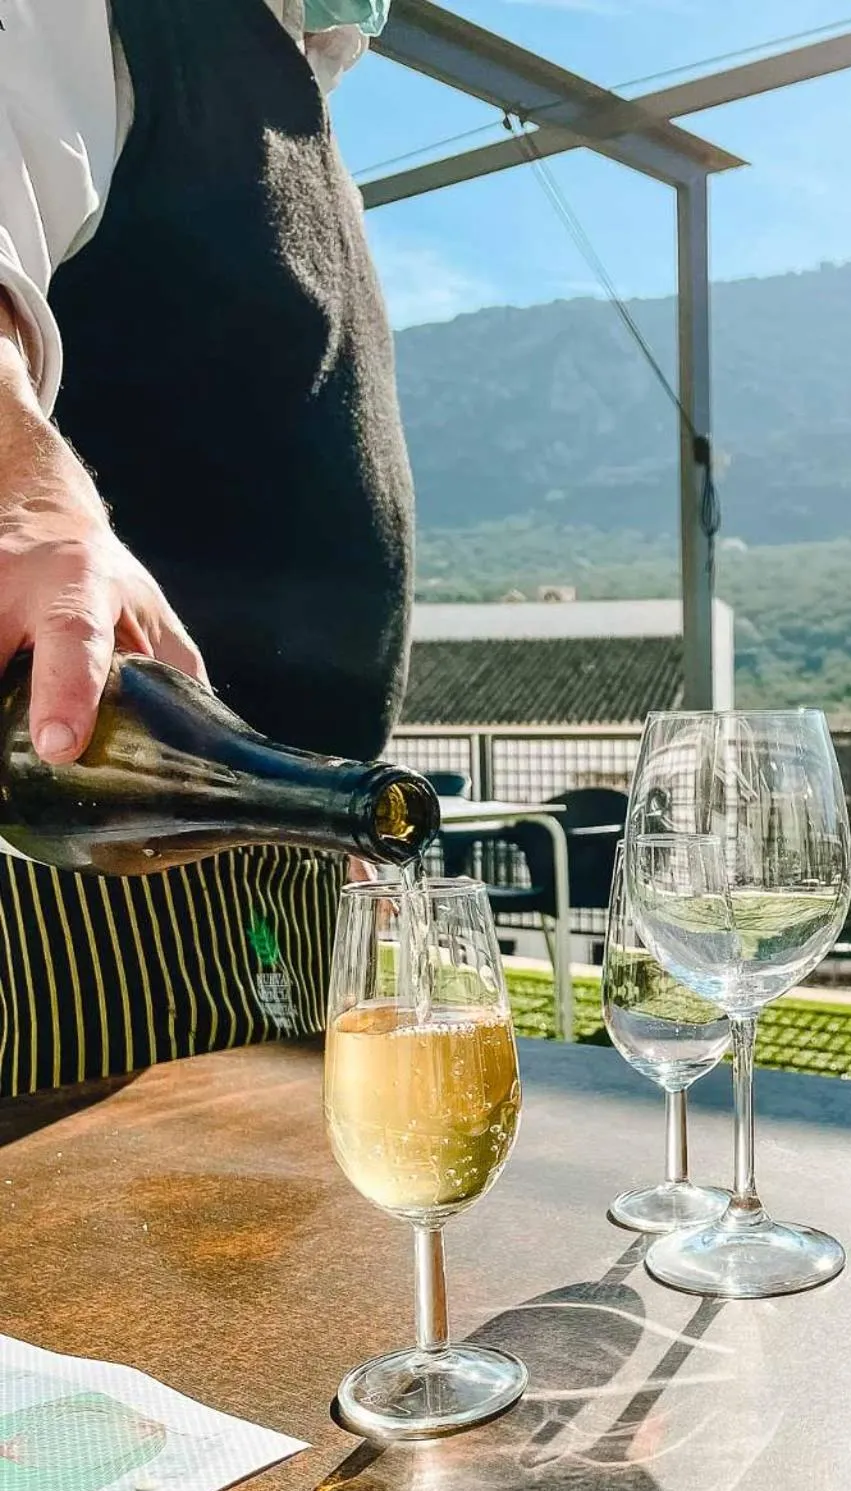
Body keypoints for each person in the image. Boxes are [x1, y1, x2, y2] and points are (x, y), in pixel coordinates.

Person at [0, 0, 412, 1095]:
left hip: (293, 838)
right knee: (100, 1246)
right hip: (92, 850)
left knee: (278, 1247)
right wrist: (22, 490)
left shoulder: (297, 83)